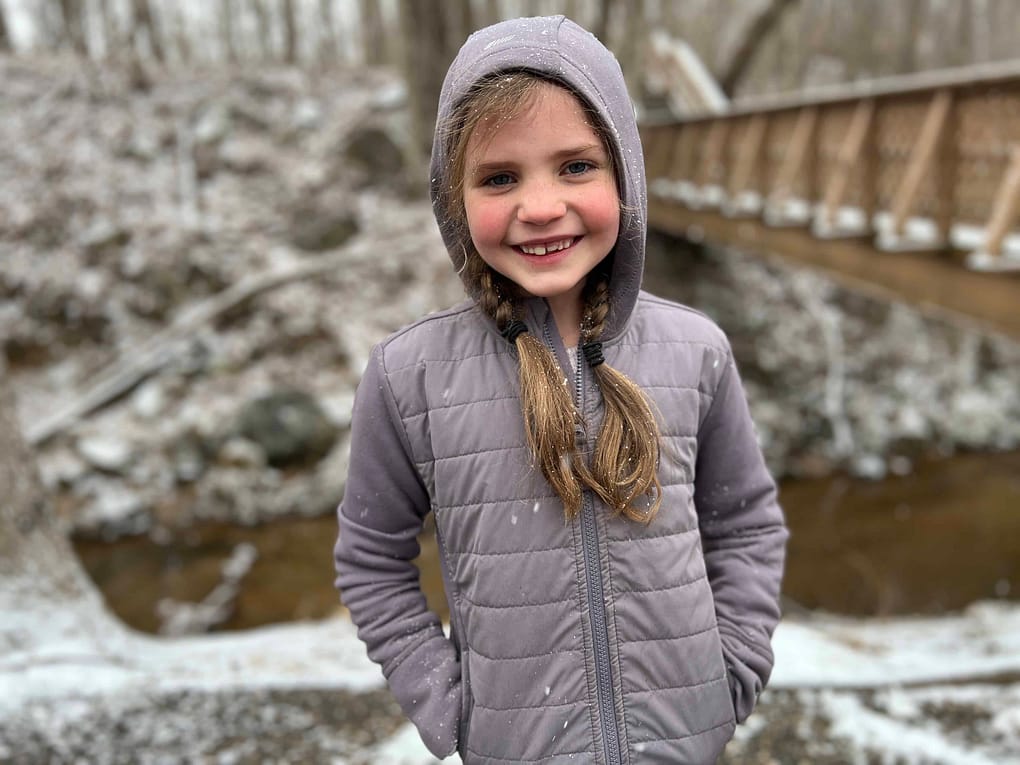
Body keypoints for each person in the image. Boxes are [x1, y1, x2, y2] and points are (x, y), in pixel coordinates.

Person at [334, 15, 787, 764]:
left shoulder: (697, 349)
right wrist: (450, 709)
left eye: (576, 166)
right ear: (455, 198)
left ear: (625, 174)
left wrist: (732, 668)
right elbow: (372, 559)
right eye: (500, 177)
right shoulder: (408, 375)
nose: (540, 206)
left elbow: (746, 525)